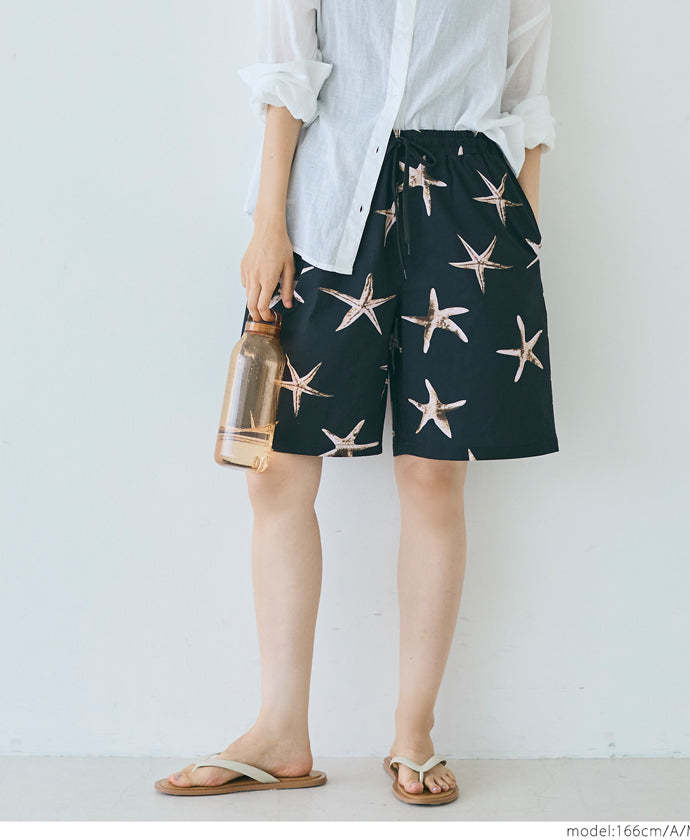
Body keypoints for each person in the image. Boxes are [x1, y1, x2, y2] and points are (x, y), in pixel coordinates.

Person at [155, 0, 559, 806]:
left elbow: (526, 96)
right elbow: (288, 74)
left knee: (435, 472)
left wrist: (520, 232)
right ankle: (280, 733)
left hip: (469, 209)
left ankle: (415, 732)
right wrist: (269, 222)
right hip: (329, 196)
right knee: (277, 467)